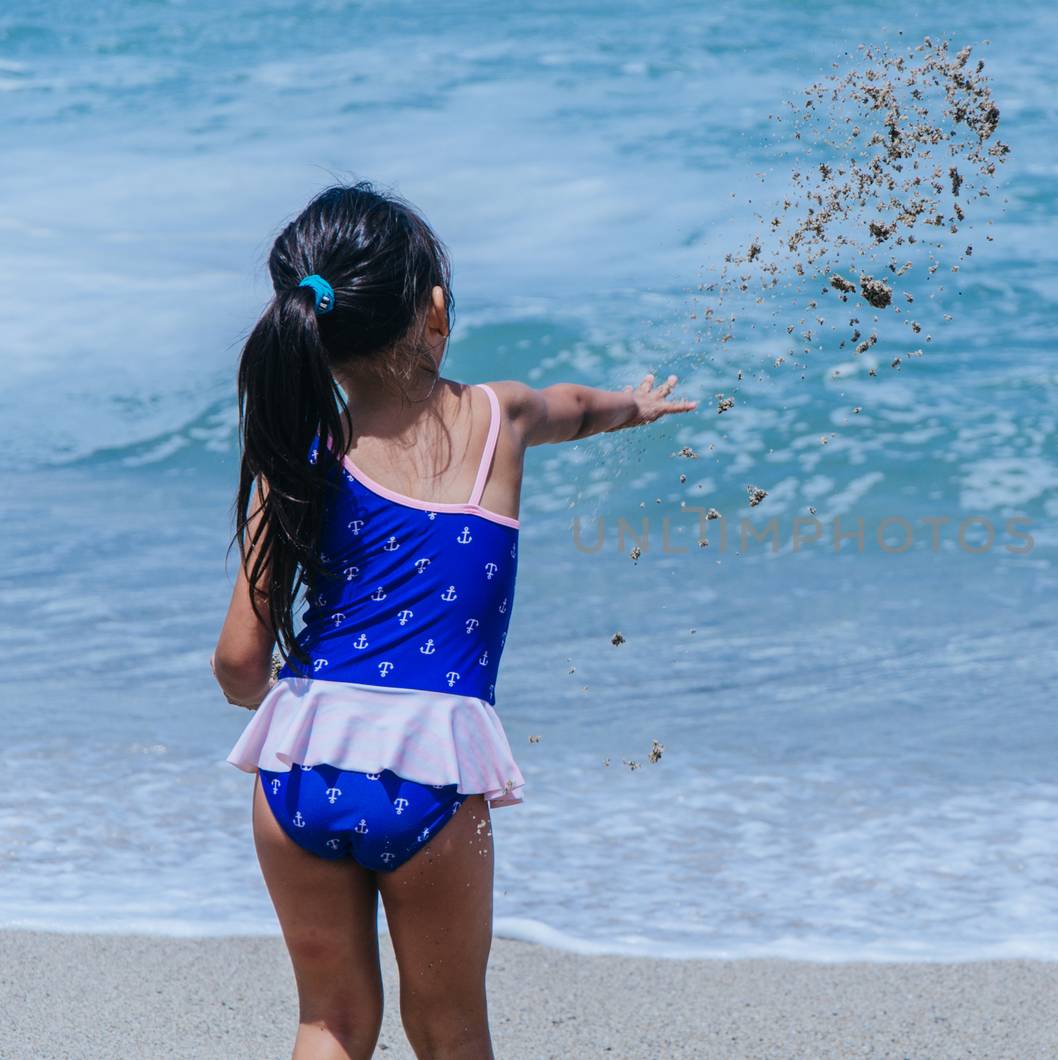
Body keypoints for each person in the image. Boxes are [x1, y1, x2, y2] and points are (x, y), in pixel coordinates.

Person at [211, 182, 695, 1059]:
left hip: (299, 766)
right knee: (448, 1027)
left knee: (329, 1021)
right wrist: (638, 407)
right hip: (429, 769)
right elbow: (576, 409)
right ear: (435, 313)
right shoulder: (498, 417)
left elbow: (241, 667)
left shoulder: (299, 460)